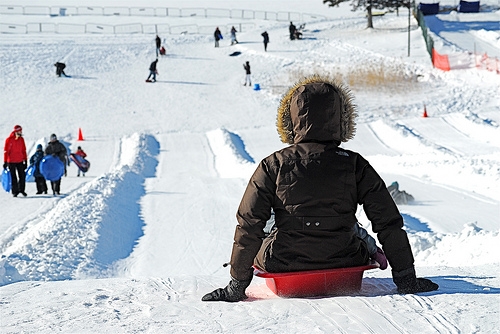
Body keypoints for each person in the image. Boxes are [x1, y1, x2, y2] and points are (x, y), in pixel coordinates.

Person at [202, 75, 438, 302]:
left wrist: (237, 285)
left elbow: (249, 223)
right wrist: (406, 278)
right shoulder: (355, 164)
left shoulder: (272, 165)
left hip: (283, 261)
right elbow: (387, 220)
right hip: (345, 259)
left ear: (291, 120)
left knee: (261, 239)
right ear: (340, 118)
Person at [3, 125, 27, 197]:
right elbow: (6, 151)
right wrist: (5, 161)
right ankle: (15, 191)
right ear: (16, 131)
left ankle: (22, 190)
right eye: (20, 131)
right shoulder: (9, 139)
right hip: (11, 161)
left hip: (20, 160)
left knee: (22, 176)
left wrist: (25, 160)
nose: (21, 132)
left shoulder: (21, 139)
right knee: (13, 177)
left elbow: (23, 150)